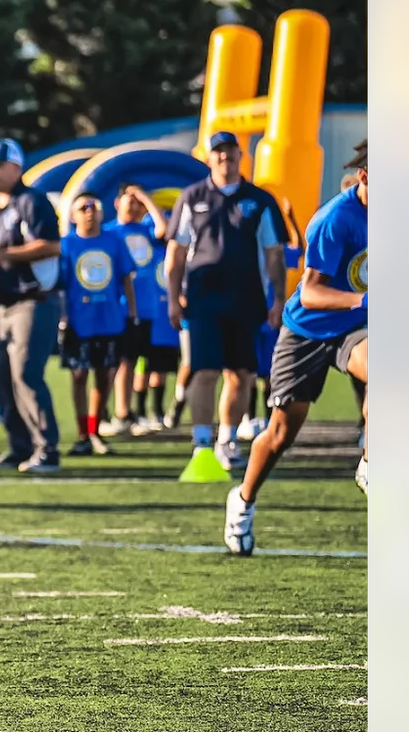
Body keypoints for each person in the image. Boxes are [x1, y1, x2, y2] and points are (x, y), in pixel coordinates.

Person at [228, 143, 368, 555]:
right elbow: (309, 292)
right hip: (308, 330)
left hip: (358, 328)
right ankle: (243, 501)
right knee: (281, 433)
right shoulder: (334, 219)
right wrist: (364, 300)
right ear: (364, 177)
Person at [164, 130, 289, 483]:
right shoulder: (192, 197)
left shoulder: (260, 200)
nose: (225, 158)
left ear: (240, 156)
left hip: (247, 299)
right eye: (218, 153)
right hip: (202, 300)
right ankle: (201, 443)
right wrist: (174, 298)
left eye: (231, 152)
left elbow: (274, 253)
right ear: (208, 157)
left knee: (242, 374)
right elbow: (175, 252)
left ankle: (227, 440)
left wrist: (278, 298)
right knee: (203, 370)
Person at [0, 138, 64, 473]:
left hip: (33, 300)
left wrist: (3, 255)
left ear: (16, 167)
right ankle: (18, 447)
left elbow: (52, 246)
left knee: (26, 375)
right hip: (2, 304)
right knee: (1, 377)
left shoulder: (32, 202)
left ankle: (47, 449)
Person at [57, 191, 140, 457]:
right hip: (79, 323)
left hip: (110, 321)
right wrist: (62, 317)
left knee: (104, 377)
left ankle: (94, 430)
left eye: (94, 206)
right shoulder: (66, 244)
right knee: (79, 375)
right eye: (83, 208)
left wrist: (132, 313)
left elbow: (127, 278)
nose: (90, 212)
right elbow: (60, 285)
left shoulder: (114, 241)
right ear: (73, 215)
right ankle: (83, 434)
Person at [109, 184, 177, 434]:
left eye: (138, 203)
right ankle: (121, 413)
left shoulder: (147, 230)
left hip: (148, 308)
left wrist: (145, 198)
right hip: (122, 308)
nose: (134, 206)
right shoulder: (111, 231)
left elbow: (165, 230)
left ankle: (137, 414)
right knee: (123, 362)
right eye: (130, 201)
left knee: (147, 364)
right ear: (117, 204)